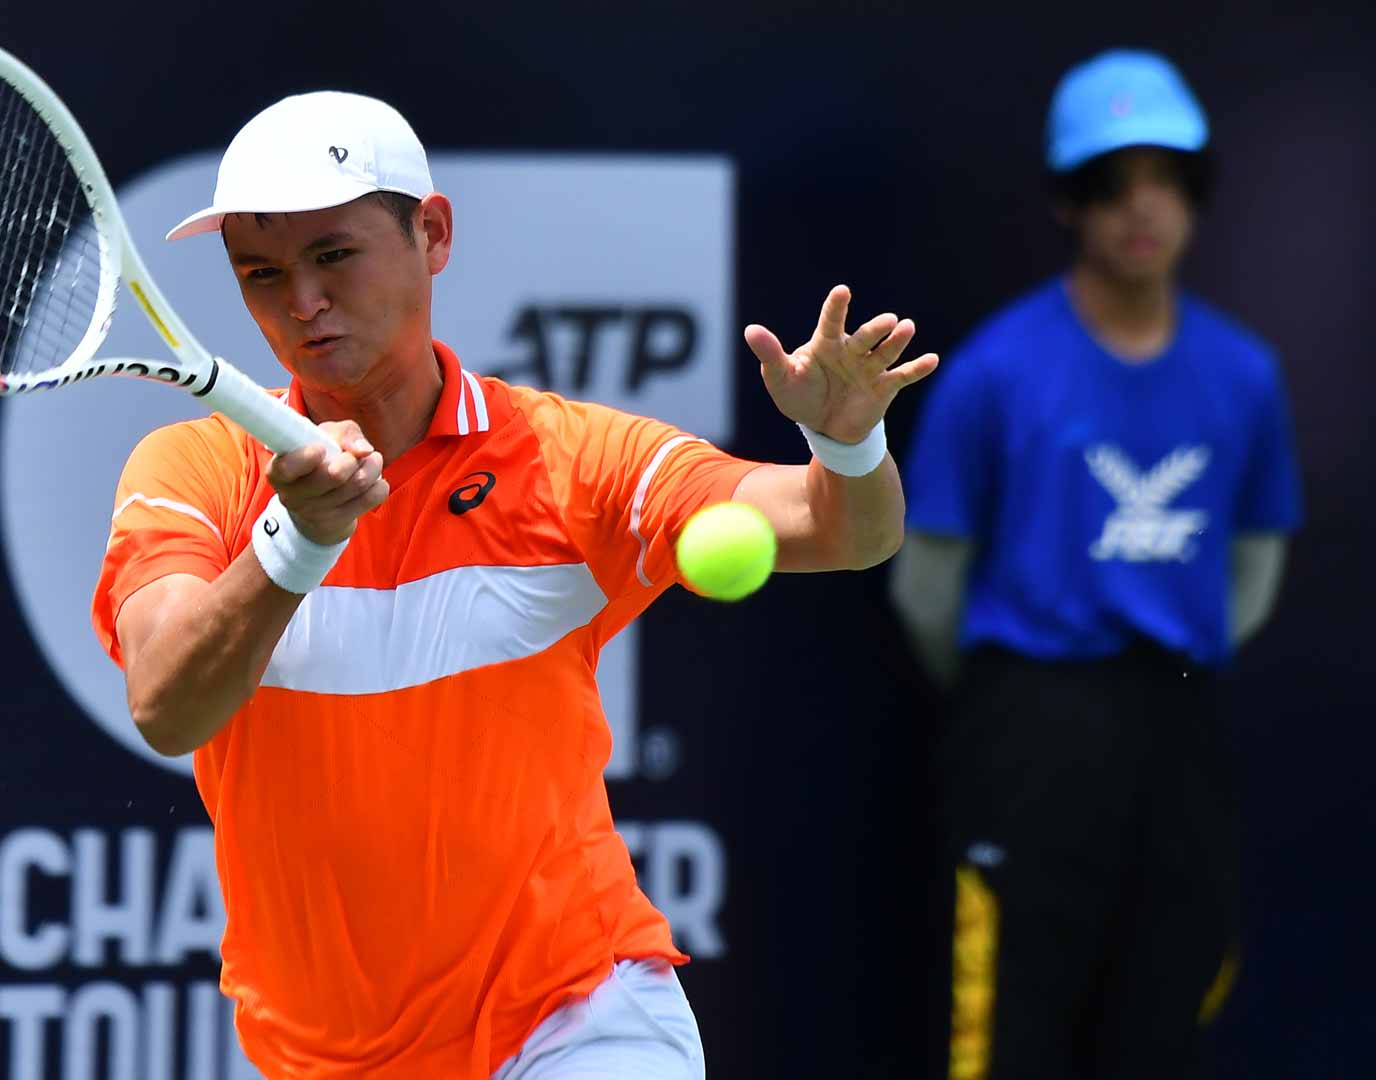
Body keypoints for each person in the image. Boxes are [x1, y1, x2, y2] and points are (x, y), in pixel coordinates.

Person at [93, 90, 938, 1079]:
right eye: (262, 273)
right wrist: (295, 544)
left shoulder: (573, 460)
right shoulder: (192, 472)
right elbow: (164, 704)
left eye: (334, 255)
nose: (302, 303)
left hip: (577, 1015)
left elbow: (842, 532)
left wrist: (845, 445)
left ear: (432, 233)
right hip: (320, 1055)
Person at [890, 50, 1303, 1079]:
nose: (1142, 210)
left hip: (1178, 723)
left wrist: (1165, 662)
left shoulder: (1244, 375)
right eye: (1111, 184)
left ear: (1197, 194)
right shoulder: (994, 371)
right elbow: (927, 584)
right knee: (1006, 1031)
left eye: (1166, 179)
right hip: (1026, 732)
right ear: (1070, 203)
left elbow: (1254, 561)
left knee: (1165, 1019)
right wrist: (1018, 698)